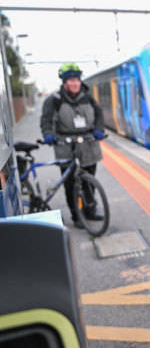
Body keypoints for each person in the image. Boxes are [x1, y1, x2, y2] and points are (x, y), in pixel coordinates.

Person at [40, 63, 105, 228]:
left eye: (77, 79)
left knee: (89, 179)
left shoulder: (88, 97)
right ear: (64, 82)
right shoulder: (54, 100)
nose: (75, 83)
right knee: (70, 183)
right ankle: (77, 215)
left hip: (88, 143)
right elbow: (46, 119)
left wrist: (98, 129)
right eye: (71, 80)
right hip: (65, 144)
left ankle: (91, 209)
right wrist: (49, 134)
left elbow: (99, 114)